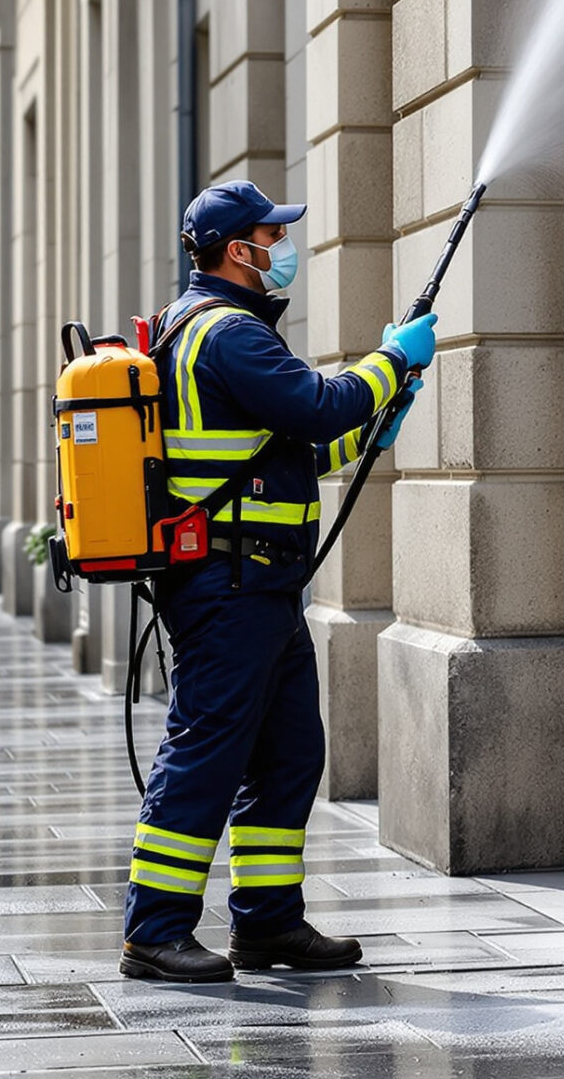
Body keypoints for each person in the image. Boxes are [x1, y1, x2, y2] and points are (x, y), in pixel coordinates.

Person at [118, 181, 435, 985]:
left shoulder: (207, 329)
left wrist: (375, 420)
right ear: (237, 249)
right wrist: (392, 357)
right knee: (208, 749)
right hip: (228, 584)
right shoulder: (228, 334)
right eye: (272, 232)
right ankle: (154, 930)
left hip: (255, 582)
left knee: (290, 749)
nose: (281, 244)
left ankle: (267, 922)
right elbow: (317, 405)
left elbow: (287, 451)